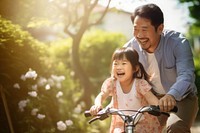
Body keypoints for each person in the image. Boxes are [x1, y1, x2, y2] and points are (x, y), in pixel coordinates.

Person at [124, 3, 199, 133]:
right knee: (134, 128)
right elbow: (122, 78)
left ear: (160, 28)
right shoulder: (130, 49)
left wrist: (171, 95)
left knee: (176, 128)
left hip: (182, 98)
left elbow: (186, 76)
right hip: (152, 100)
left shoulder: (178, 43)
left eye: (144, 29)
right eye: (136, 29)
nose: (139, 35)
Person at [90, 47, 166, 133]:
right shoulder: (112, 83)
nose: (119, 67)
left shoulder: (140, 84)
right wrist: (97, 105)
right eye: (116, 64)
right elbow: (101, 95)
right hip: (120, 125)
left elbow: (153, 101)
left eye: (123, 63)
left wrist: (159, 107)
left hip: (143, 125)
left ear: (135, 68)